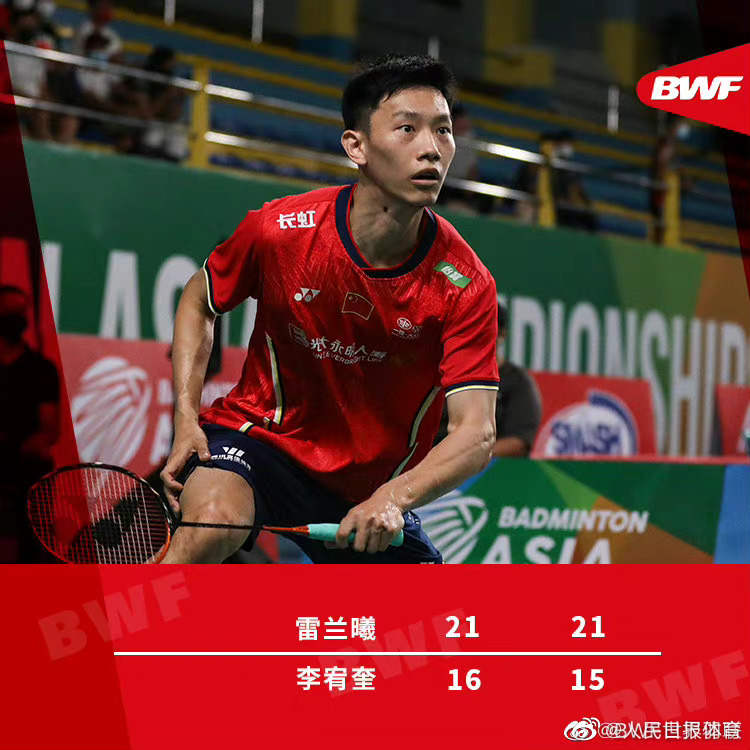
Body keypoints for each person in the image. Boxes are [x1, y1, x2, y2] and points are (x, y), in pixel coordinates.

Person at [160, 54, 500, 564]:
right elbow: (199, 298)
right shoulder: (281, 232)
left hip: (370, 491)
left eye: (443, 131)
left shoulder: (464, 282)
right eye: (407, 129)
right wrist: (186, 418)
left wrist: (394, 498)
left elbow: (476, 432)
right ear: (356, 146)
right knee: (210, 526)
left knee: (432, 617)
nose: (431, 148)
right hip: (261, 442)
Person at [434, 302, 541, 457]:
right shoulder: (442, 372)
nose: (475, 335)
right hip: (430, 461)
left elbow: (518, 442)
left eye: (484, 329)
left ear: (502, 334)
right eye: (470, 328)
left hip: (487, 467)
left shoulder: (518, 382)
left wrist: (462, 459)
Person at [0, 285, 60, 561]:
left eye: (21, 311)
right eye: (10, 311)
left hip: (26, 474)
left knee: (35, 550)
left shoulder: (41, 369)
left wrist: (22, 447)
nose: (18, 318)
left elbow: (49, 430)